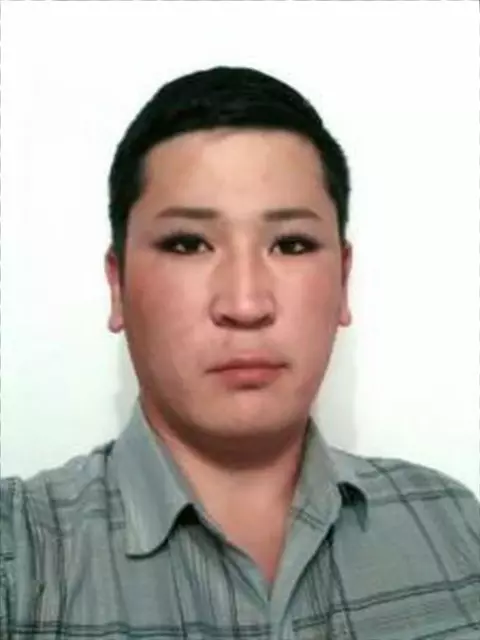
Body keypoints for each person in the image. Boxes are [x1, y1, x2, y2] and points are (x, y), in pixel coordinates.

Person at [1, 66, 478, 640]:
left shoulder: (452, 524)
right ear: (118, 285)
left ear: (344, 281)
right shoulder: (20, 560)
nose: (246, 304)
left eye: (291, 244)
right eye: (187, 243)